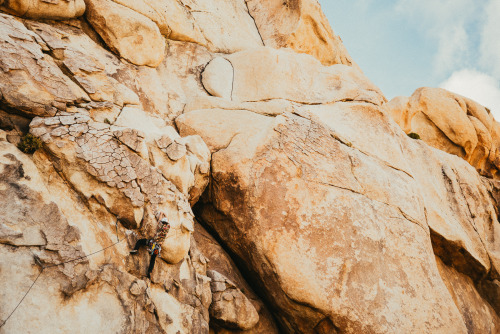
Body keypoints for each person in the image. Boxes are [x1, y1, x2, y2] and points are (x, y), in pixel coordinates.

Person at [130, 211, 170, 278]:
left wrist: (161, 213)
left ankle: (135, 250)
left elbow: (159, 220)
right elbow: (167, 220)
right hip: (157, 247)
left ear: (163, 222)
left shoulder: (160, 226)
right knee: (152, 259)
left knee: (140, 241)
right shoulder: (167, 228)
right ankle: (149, 272)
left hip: (152, 243)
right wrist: (165, 215)